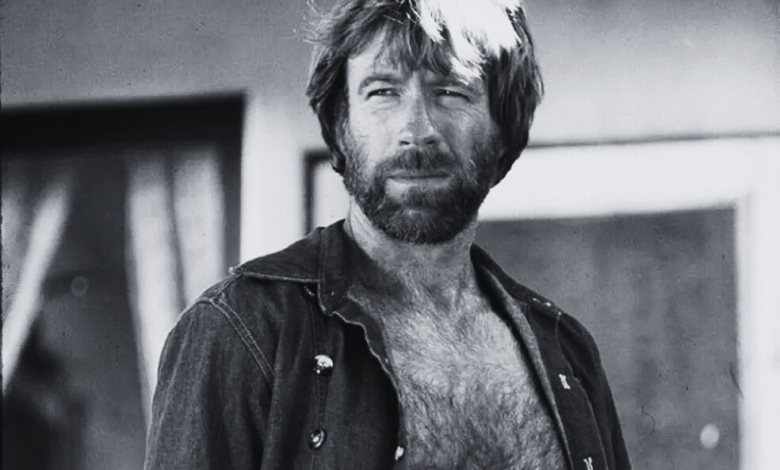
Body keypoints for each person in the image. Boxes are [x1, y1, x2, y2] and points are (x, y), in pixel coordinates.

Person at [145, 0, 631, 468]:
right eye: (382, 92)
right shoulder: (240, 329)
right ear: (340, 126)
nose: (416, 130)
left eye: (451, 91)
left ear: (503, 127)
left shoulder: (567, 352)